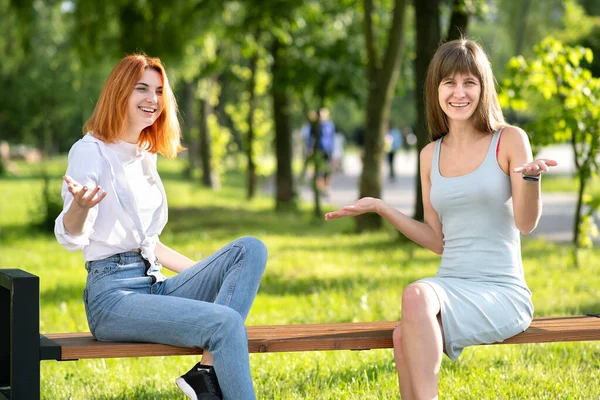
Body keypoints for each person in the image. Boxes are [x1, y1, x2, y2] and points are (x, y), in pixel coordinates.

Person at [325, 38, 557, 399]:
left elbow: (526, 224)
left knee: (415, 296)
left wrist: (531, 180)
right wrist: (383, 208)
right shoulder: (429, 155)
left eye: (469, 82)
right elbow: (437, 240)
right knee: (403, 334)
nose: (459, 93)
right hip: (451, 285)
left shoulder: (509, 140)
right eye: (449, 83)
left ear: (483, 87)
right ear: (436, 90)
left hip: (501, 290)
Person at [54, 54, 267, 400]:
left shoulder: (144, 154)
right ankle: (207, 376)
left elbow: (149, 245)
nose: (152, 99)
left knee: (250, 249)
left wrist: (213, 276)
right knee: (226, 324)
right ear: (119, 92)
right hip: (113, 297)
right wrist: (79, 207)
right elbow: (70, 237)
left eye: (158, 91)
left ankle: (206, 370)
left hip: (155, 285)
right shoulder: (90, 151)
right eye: (142, 89)